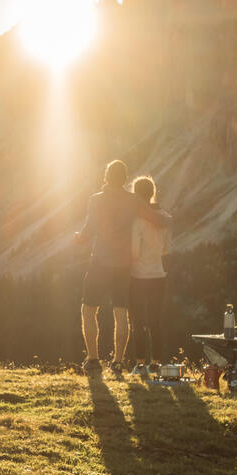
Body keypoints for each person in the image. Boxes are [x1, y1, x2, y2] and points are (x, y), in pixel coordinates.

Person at [73, 160, 171, 375]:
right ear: (125, 179)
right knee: (120, 312)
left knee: (88, 309)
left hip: (99, 262)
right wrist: (166, 218)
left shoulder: (95, 200)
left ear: (106, 177)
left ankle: (93, 359)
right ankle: (117, 362)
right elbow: (155, 219)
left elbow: (88, 231)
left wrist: (78, 238)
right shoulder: (133, 201)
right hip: (123, 266)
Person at [128, 176, 170, 376]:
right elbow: (166, 249)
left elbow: (134, 252)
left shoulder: (137, 220)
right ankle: (156, 364)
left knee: (137, 322)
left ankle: (140, 364)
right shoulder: (165, 218)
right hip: (158, 276)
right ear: (153, 193)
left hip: (138, 277)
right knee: (155, 321)